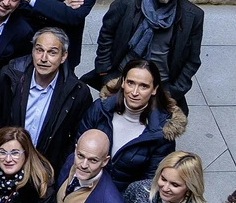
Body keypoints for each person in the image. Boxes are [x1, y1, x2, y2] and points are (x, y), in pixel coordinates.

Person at [86, 0, 204, 111]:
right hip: (122, 78)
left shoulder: (192, 15)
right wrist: (106, 74)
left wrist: (173, 92)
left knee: (157, 132)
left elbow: (192, 60)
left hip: (161, 85)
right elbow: (107, 34)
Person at [0, 29, 95, 173]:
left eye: (52, 52)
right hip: (4, 164)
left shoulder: (77, 92)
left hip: (44, 171)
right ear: (32, 51)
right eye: (39, 50)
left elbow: (79, 136)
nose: (43, 58)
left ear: (63, 57)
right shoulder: (10, 76)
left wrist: (57, 168)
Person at [78, 59, 184, 189]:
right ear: (123, 83)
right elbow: (77, 148)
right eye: (130, 83)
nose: (134, 92)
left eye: (143, 86)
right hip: (84, 187)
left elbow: (150, 181)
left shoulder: (161, 132)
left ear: (154, 89)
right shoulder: (101, 109)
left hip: (123, 202)